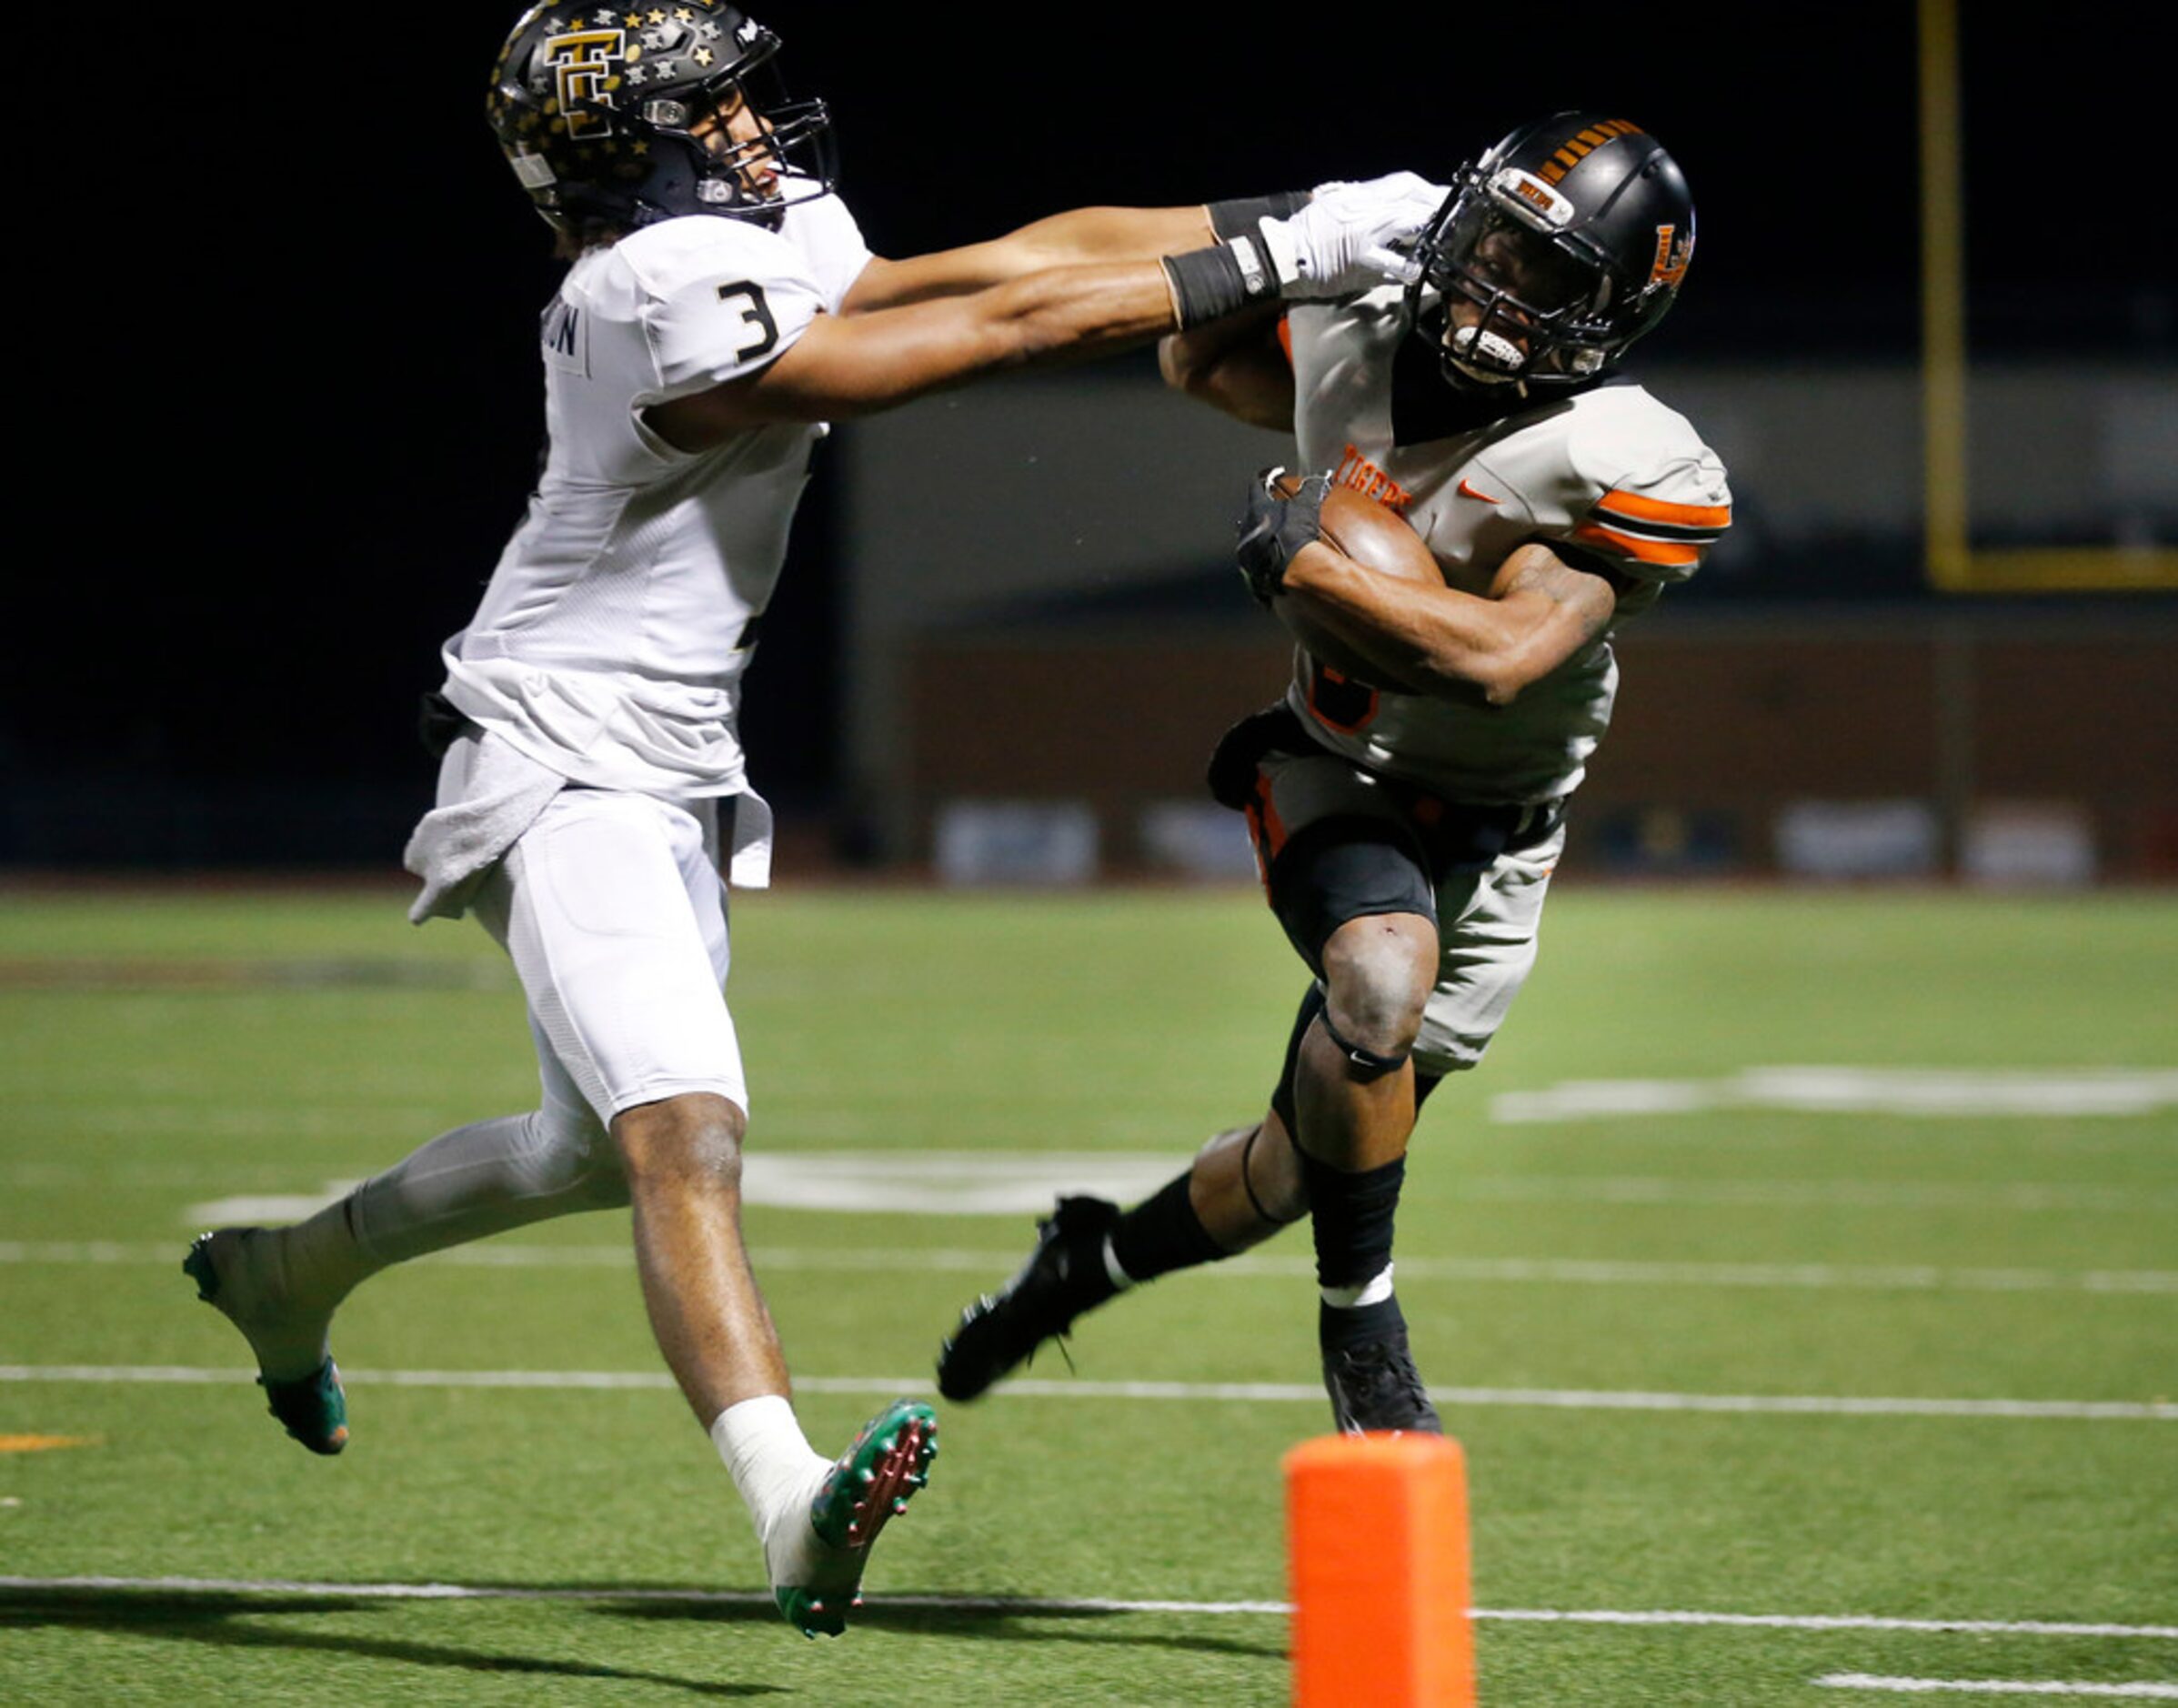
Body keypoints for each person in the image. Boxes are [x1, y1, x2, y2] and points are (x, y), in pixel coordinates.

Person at [180, 0, 1440, 1639]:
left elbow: (1009, 260)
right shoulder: (635, 289)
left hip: (671, 761)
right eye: (711, 116)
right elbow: (966, 344)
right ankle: (789, 1505)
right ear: (622, 156)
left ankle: (290, 1275)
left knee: (581, 1150)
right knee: (682, 1130)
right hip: (556, 750)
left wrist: (1295, 214)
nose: (755, 133)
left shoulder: (738, 238)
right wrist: (1289, 262)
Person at [936, 114, 1731, 1437]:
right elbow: (1200, 361)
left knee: (1294, 1166)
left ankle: (1085, 1260)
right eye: (1491, 243)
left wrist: (1304, 562)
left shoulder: (1615, 455)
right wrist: (1294, 242)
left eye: (1545, 278)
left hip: (1499, 832)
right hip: (1332, 762)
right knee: (1373, 974)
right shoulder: (1369, 317)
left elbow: (1498, 661)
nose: (1494, 284)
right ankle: (1363, 1325)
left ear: (1611, 318)